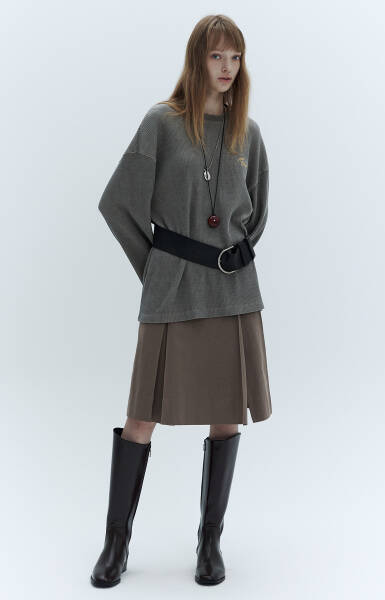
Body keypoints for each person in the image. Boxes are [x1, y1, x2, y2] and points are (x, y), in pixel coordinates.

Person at [90, 14, 272, 587]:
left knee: (226, 414)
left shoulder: (247, 133)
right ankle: (116, 542)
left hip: (232, 292)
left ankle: (209, 541)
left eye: (235, 57)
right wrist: (154, 266)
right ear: (197, 60)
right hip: (172, 290)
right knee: (141, 415)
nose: (227, 67)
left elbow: (256, 215)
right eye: (217, 56)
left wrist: (228, 258)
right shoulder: (161, 124)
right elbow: (117, 202)